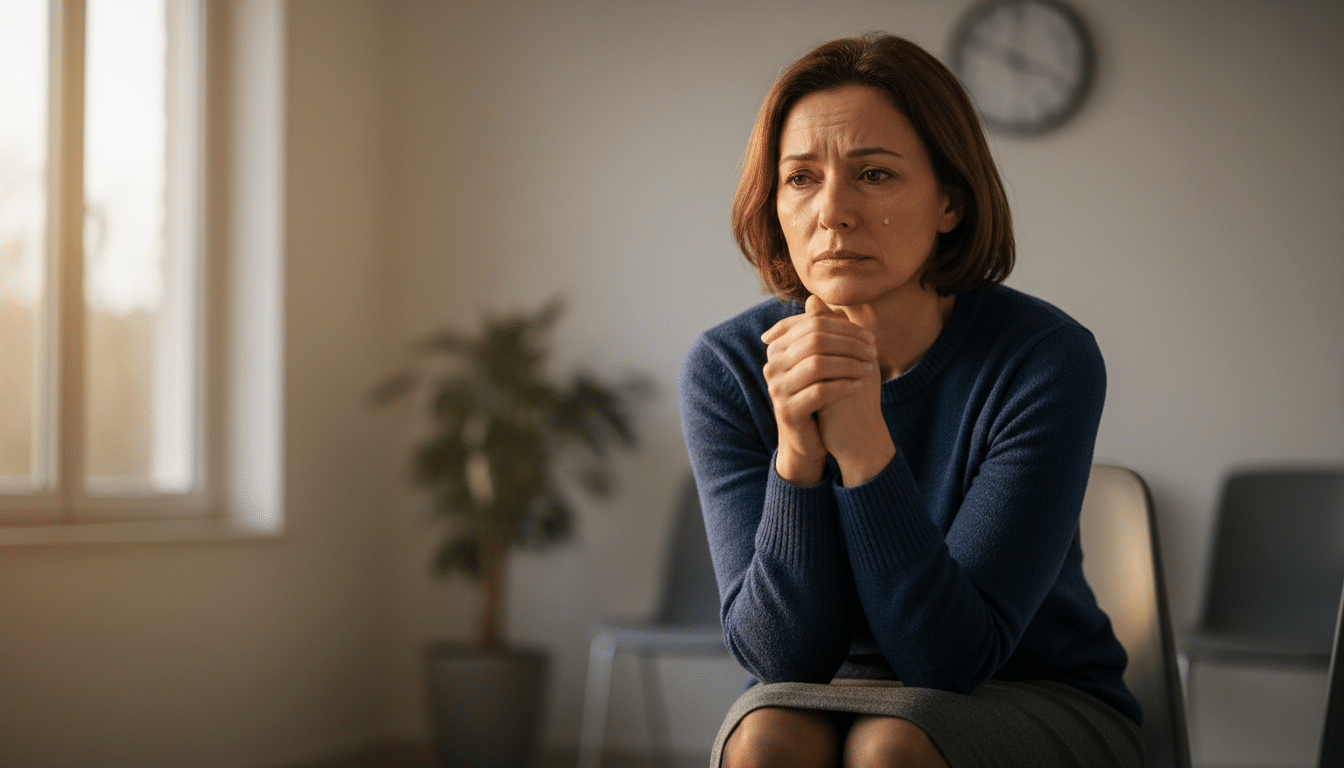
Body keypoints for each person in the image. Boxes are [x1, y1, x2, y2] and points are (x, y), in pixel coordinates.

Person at [677, 33, 1144, 768]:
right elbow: (778, 660)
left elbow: (951, 658)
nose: (833, 212)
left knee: (892, 745)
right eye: (801, 179)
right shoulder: (729, 367)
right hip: (828, 694)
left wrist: (863, 442)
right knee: (767, 734)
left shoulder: (1044, 358)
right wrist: (798, 455)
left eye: (874, 174)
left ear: (949, 201)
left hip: (1035, 691)